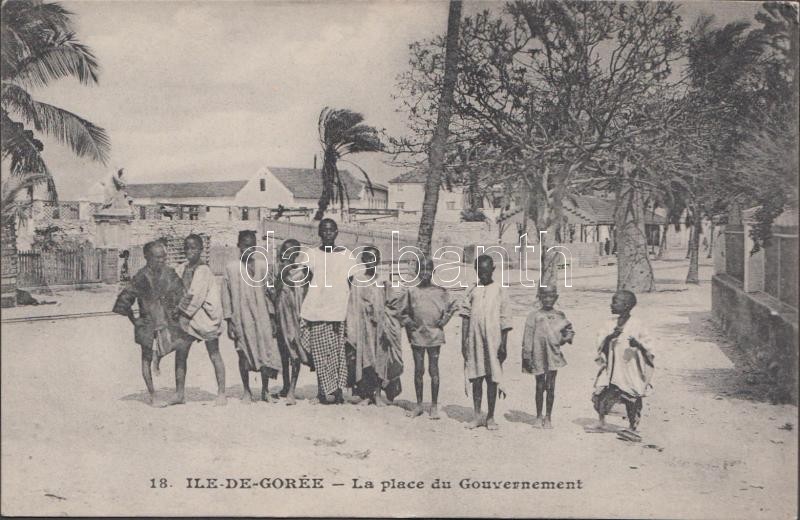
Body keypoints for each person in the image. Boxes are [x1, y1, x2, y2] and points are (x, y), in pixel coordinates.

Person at [113, 240, 192, 406]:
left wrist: (178, 310)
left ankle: (180, 393)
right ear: (147, 257)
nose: (162, 260)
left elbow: (182, 293)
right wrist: (135, 321)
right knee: (146, 358)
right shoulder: (141, 277)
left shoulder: (170, 273)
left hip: (170, 322)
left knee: (182, 349)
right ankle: (153, 395)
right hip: (148, 324)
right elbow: (124, 301)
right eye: (157, 258)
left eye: (164, 257)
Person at [299, 219, 362, 404]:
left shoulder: (346, 255)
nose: (327, 234)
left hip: (338, 311)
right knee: (319, 354)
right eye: (324, 230)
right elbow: (305, 281)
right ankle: (321, 393)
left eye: (331, 230)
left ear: (336, 232)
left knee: (338, 354)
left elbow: (352, 283)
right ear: (319, 233)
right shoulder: (311, 254)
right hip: (317, 311)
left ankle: (338, 393)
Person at [222, 230, 281, 403]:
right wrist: (229, 322)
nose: (249, 249)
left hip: (262, 317)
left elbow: (270, 294)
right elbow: (226, 297)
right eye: (246, 245)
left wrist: (272, 317)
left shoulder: (263, 266)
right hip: (241, 318)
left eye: (253, 245)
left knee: (265, 352)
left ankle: (265, 390)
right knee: (243, 354)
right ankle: (247, 391)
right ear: (239, 246)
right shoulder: (231, 268)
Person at [460, 254, 512, 430]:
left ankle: (490, 416)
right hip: (475, 340)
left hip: (493, 341)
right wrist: (464, 341)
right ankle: (476, 415)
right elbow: (465, 316)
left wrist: (504, 344)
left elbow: (505, 319)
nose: (483, 275)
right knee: (476, 377)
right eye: (480, 272)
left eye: (486, 271)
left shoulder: (500, 290)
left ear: (493, 270)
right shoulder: (471, 290)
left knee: (491, 378)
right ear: (476, 271)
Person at [591, 290, 655, 432]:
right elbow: (600, 341)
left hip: (630, 367)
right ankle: (601, 422)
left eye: (615, 301)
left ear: (626, 305)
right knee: (602, 393)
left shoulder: (638, 324)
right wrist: (610, 337)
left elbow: (649, 347)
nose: (611, 304)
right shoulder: (609, 323)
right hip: (612, 366)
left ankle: (633, 427)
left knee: (631, 396)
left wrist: (637, 345)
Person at [175, 234, 226, 406]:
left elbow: (195, 296)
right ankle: (179, 393)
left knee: (214, 353)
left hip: (203, 316)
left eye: (194, 248)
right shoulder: (182, 268)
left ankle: (221, 393)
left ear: (201, 250)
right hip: (188, 316)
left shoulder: (203, 270)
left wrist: (183, 315)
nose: (190, 251)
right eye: (187, 248)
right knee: (181, 354)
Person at [405, 258, 458, 420]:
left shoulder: (441, 291)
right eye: (422, 269)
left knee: (433, 370)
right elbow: (405, 312)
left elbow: (453, 306)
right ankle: (419, 405)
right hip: (417, 335)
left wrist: (444, 320)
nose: (425, 273)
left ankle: (434, 406)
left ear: (433, 271)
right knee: (418, 370)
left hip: (434, 336)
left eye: (429, 269)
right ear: (417, 272)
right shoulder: (412, 291)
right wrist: (410, 326)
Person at [521, 285, 575, 429]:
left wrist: (564, 339)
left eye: (551, 296)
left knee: (551, 386)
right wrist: (527, 355)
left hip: (552, 355)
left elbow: (568, 330)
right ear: (539, 298)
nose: (548, 299)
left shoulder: (560, 315)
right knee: (539, 386)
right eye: (544, 296)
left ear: (556, 297)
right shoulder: (533, 315)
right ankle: (538, 416)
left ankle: (548, 417)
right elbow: (527, 336)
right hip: (538, 354)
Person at [345, 246, 386, 405]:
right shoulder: (357, 280)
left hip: (379, 327)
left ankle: (378, 394)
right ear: (362, 260)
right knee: (365, 360)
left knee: (379, 360)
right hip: (363, 327)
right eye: (367, 258)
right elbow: (352, 304)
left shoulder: (383, 280)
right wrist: (352, 329)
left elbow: (388, 302)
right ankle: (367, 395)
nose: (371, 261)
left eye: (374, 258)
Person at [273, 238, 311, 405]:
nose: (286, 254)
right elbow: (273, 291)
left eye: (290, 251)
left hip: (295, 317)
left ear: (296, 254)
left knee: (294, 351)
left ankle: (292, 390)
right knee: (283, 352)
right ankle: (285, 384)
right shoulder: (276, 270)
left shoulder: (302, 272)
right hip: (280, 316)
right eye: (284, 250)